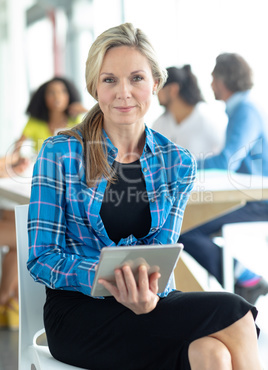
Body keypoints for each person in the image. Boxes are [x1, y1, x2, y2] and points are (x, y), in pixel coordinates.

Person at [27, 23, 262, 370]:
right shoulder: (60, 153)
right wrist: (104, 278)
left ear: (155, 83)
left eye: (136, 78)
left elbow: (163, 259)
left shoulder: (177, 163)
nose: (124, 92)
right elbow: (41, 257)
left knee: (211, 354)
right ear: (95, 87)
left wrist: (149, 294)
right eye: (110, 80)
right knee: (235, 313)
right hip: (77, 314)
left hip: (147, 307)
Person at [180, 53, 268, 304]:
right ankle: (245, 280)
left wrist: (182, 166)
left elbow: (226, 161)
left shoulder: (246, 110)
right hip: (249, 197)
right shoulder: (242, 108)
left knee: (185, 229)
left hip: (260, 202)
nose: (210, 84)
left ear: (223, 79)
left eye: (212, 78)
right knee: (185, 226)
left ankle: (247, 280)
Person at [0, 76, 86, 330]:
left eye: (62, 92)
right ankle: (8, 300)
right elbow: (16, 151)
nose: (57, 97)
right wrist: (12, 164)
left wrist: (10, 166)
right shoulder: (37, 123)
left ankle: (7, 300)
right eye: (51, 93)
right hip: (48, 190)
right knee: (21, 234)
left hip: (58, 187)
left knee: (18, 241)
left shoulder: (78, 122)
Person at [153, 65, 227, 160]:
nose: (155, 93)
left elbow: (224, 156)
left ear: (173, 89)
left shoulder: (207, 118)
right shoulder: (160, 124)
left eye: (159, 87)